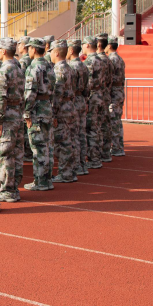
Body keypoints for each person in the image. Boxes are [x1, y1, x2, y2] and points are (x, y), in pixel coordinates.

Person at [23, 37, 55, 191]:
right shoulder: (49, 66)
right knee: (47, 146)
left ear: (34, 49)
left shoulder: (33, 68)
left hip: (37, 110)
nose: (27, 50)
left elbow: (30, 93)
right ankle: (47, 179)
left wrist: (27, 113)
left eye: (29, 48)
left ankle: (40, 181)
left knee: (38, 147)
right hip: (47, 107)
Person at [0, 37, 24, 202]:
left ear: (4, 51)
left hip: (7, 116)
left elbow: (1, 98)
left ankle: (7, 190)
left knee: (5, 153)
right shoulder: (19, 69)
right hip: (17, 114)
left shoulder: (3, 71)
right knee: (16, 152)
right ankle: (14, 187)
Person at [50, 40, 77, 184]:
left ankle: (65, 173)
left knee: (62, 142)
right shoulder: (69, 68)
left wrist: (53, 113)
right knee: (69, 140)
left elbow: (57, 93)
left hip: (62, 109)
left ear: (56, 53)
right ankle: (70, 171)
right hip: (69, 106)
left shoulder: (59, 69)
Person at [83, 36, 107, 169]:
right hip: (100, 95)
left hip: (92, 97)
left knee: (91, 128)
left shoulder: (89, 62)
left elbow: (88, 83)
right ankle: (98, 155)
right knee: (97, 127)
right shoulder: (101, 60)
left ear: (87, 45)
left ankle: (94, 159)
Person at [67, 39, 90, 176]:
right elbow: (87, 87)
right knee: (81, 133)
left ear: (71, 50)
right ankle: (82, 163)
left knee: (73, 134)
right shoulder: (83, 66)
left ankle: (76, 165)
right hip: (81, 99)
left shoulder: (71, 67)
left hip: (74, 101)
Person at [106, 35, 126, 157]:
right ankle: (119, 145)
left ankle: (116, 147)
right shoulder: (120, 59)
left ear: (109, 45)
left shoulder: (111, 60)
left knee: (113, 120)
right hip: (119, 91)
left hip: (113, 92)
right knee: (117, 120)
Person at [96, 33, 114, 163]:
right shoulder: (108, 60)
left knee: (96, 126)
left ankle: (97, 155)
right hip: (105, 93)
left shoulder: (97, 60)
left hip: (97, 95)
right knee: (105, 124)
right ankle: (105, 152)